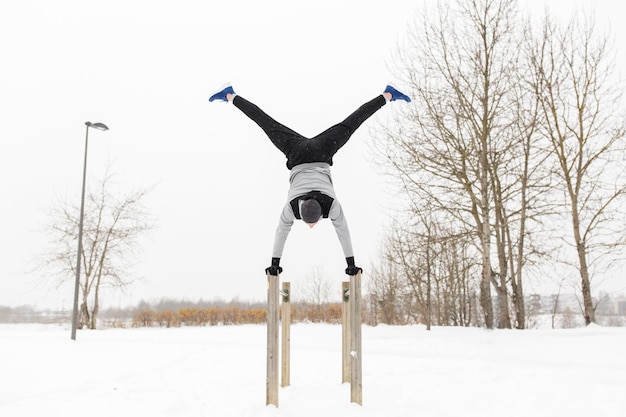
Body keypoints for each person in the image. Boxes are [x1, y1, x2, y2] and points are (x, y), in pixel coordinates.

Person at [209, 83, 411, 276]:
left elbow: (339, 230)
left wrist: (275, 264)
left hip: (321, 151)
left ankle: (388, 95)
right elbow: (284, 231)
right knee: (268, 124)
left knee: (349, 124)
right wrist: (274, 264)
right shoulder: (296, 207)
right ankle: (230, 95)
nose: (310, 226)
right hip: (299, 153)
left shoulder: (328, 206)